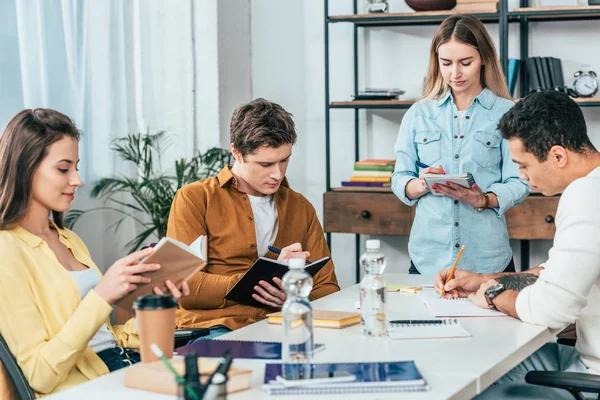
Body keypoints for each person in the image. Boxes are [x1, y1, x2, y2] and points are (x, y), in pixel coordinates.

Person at [0, 109, 190, 397]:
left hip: (124, 368)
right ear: (25, 168)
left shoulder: (69, 239)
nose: (76, 180)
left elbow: (107, 338)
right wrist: (101, 295)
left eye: (76, 167)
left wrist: (157, 306)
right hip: (87, 389)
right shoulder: (7, 251)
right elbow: (39, 375)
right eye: (64, 169)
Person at [434, 91, 600, 398]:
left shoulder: (587, 196)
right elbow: (556, 274)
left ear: (558, 156)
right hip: (584, 362)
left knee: (478, 382)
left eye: (523, 165)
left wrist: (495, 296)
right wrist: (485, 280)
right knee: (491, 360)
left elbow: (551, 309)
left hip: (592, 377)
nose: (522, 178)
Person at [167, 98, 340, 337]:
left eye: (285, 160)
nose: (277, 174)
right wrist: (259, 283)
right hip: (216, 327)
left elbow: (329, 287)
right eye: (266, 164)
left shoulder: (300, 207)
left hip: (283, 323)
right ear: (237, 153)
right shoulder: (195, 199)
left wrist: (296, 294)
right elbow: (183, 286)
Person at [391, 14, 530, 275]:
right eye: (446, 63)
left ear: (484, 59)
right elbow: (399, 178)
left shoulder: (507, 113)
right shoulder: (419, 113)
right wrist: (421, 184)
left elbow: (521, 182)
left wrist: (484, 199)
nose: (455, 73)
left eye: (465, 62)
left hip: (487, 260)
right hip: (428, 260)